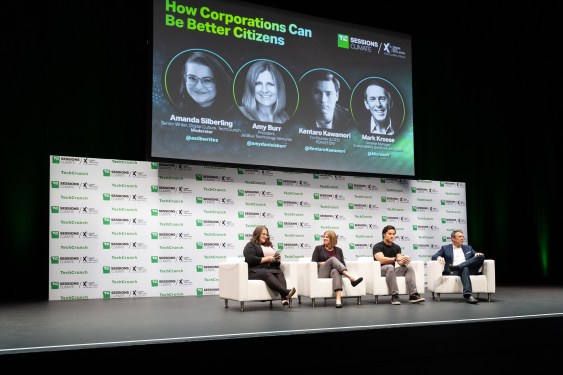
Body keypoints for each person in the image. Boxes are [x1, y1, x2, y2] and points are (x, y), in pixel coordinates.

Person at [243, 225, 296, 306]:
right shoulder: (250, 245)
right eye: (263, 234)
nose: (265, 236)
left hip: (269, 268)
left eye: (266, 234)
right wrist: (267, 259)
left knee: (279, 273)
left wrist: (277, 259)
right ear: (257, 234)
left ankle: (284, 299)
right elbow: (250, 259)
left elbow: (272, 261)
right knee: (266, 274)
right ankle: (286, 292)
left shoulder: (269, 245)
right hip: (254, 271)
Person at [372, 225, 425, 305]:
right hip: (381, 271)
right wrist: (395, 259)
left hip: (391, 271)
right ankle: (395, 295)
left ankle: (413, 295)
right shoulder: (378, 246)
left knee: (408, 267)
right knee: (390, 266)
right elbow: (381, 259)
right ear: (384, 234)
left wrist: (404, 260)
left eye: (393, 234)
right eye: (389, 234)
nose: (392, 236)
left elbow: (399, 260)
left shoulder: (397, 247)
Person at [311, 230, 363, 308]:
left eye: (327, 237)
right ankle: (351, 278)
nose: (324, 238)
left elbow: (343, 264)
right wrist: (320, 263)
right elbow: (313, 263)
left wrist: (336, 266)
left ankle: (338, 300)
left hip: (333, 273)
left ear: (332, 239)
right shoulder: (318, 248)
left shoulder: (339, 250)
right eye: (324, 236)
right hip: (322, 273)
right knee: (332, 259)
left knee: (336, 271)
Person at [431, 229, 485, 304]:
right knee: (464, 268)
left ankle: (459, 266)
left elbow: (475, 255)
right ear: (453, 238)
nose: (462, 238)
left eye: (463, 236)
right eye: (460, 236)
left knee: (481, 256)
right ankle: (468, 296)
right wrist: (438, 257)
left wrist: (477, 254)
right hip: (454, 271)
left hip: (469, 270)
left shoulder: (468, 248)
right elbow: (434, 256)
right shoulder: (445, 248)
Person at [177, 50, 232, 116]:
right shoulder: (177, 110)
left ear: (219, 82)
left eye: (207, 80)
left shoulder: (233, 113)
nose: (198, 87)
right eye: (192, 78)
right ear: (184, 79)